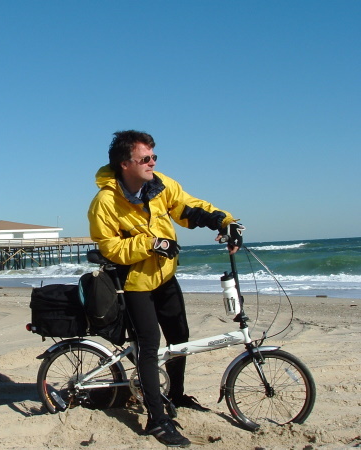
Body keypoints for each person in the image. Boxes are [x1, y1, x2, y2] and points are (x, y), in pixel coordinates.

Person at [87, 130, 244, 448]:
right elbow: (110, 248)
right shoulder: (105, 202)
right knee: (149, 345)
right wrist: (151, 243)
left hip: (165, 278)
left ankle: (177, 395)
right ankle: (156, 421)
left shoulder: (160, 186)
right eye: (145, 158)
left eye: (154, 157)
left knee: (180, 337)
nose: (152, 163)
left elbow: (189, 208)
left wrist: (224, 222)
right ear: (125, 164)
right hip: (133, 284)